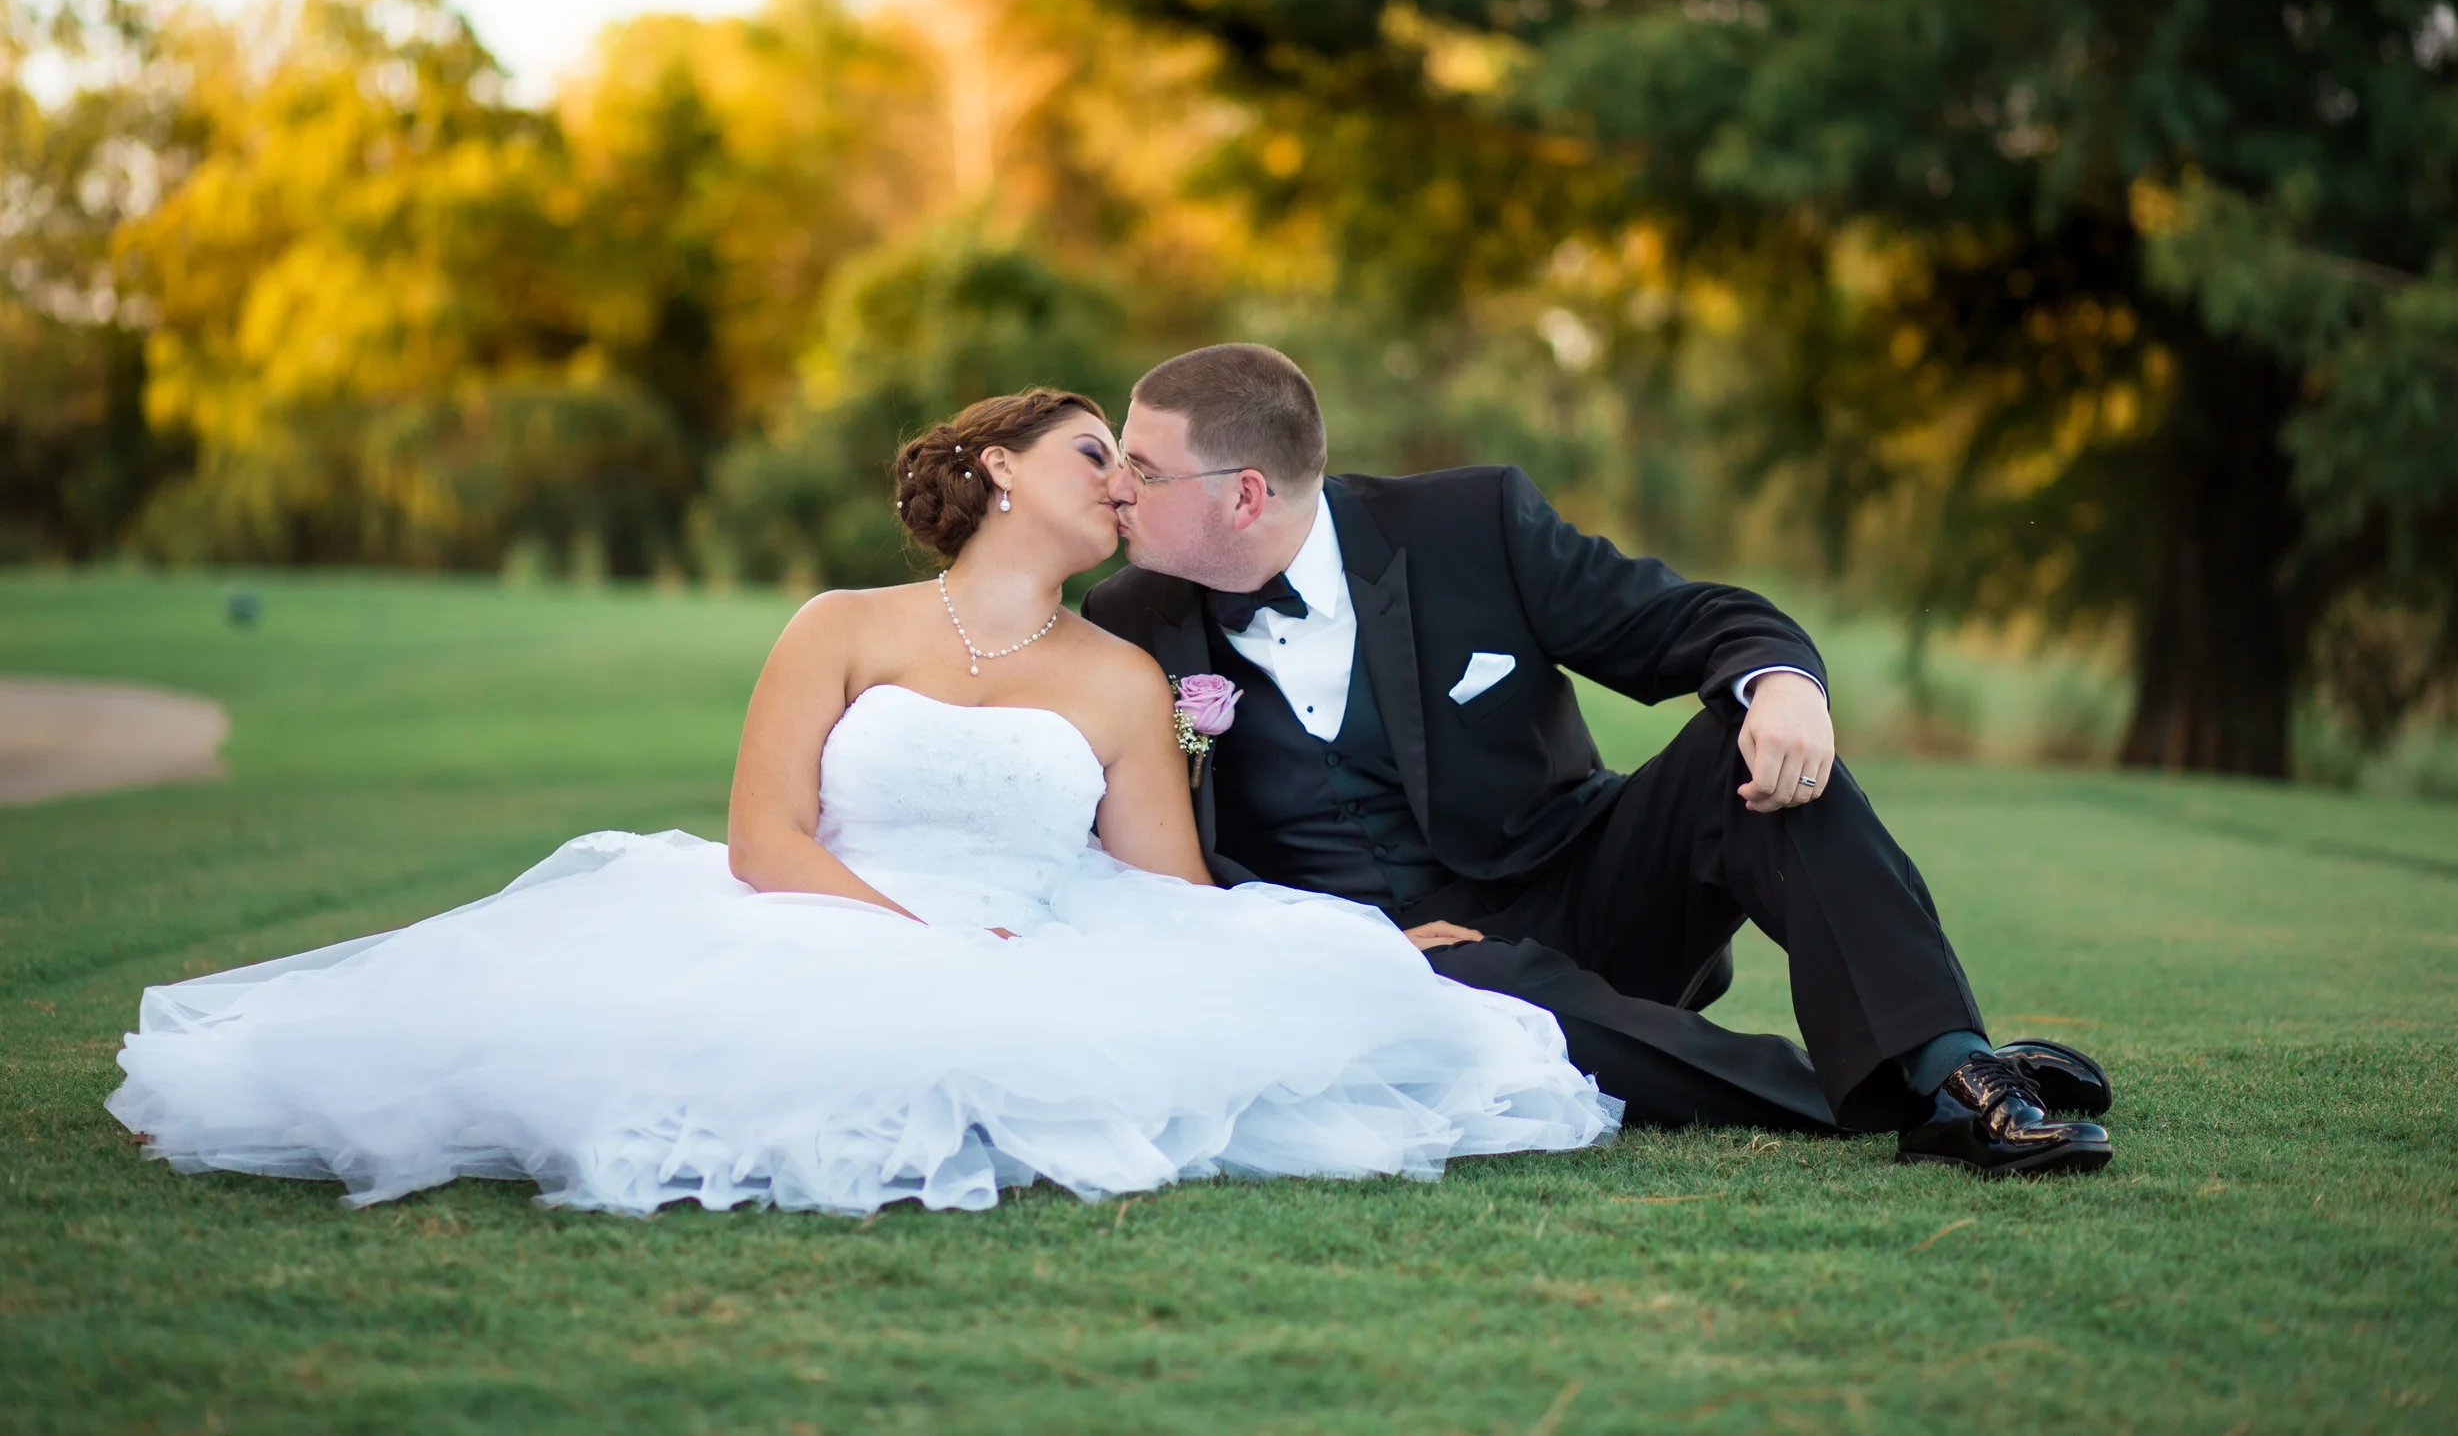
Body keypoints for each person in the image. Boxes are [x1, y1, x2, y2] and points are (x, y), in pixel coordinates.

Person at [107, 390, 1619, 1215]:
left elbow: (1174, 901)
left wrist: (1338, 951)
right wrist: (919, 946)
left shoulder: (1119, 677)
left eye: (1137, 466)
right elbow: (764, 836)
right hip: (809, 918)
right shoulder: (838, 623)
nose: (1126, 482)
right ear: (998, 468)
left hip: (1037, 938)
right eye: (1096, 452)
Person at [1082, 344, 2113, 1178]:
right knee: (1486, 983)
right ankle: (1930, 1088)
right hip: (1385, 964)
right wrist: (1353, 941)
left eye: (1145, 468)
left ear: (1246, 493)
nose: (1117, 490)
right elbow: (1171, 855)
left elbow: (1689, 619)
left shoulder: (1468, 523)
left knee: (1735, 749)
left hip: (1585, 889)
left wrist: (1784, 683)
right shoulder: (1128, 619)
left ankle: (1947, 1056)